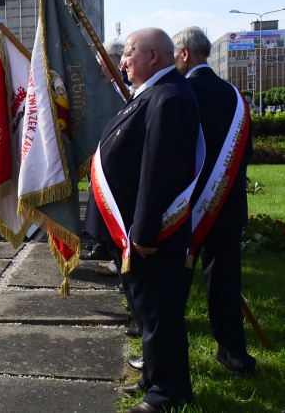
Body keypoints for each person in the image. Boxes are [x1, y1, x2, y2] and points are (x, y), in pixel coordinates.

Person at [85, 28, 201, 413]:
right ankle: (153, 377)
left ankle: (168, 394)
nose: (122, 62)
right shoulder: (154, 93)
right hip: (137, 229)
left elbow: (159, 171)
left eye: (129, 53)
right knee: (148, 311)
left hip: (153, 233)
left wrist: (145, 231)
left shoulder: (167, 97)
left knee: (160, 312)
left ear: (153, 55)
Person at [173, 26, 256, 374]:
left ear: (185, 54)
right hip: (229, 203)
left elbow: (175, 152)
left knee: (173, 284)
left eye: (176, 53)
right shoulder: (235, 95)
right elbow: (245, 150)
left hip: (190, 207)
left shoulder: (181, 92)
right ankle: (234, 353)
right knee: (225, 283)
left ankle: (161, 355)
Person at [82, 39, 125, 263]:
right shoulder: (105, 87)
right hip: (100, 152)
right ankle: (100, 242)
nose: (99, 68)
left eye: (102, 63)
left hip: (115, 156)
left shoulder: (124, 88)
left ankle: (105, 245)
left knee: (107, 201)